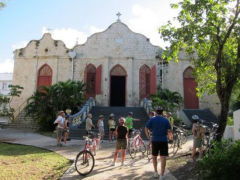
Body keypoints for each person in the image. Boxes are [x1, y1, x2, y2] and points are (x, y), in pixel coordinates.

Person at [145, 108, 173, 179]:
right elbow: (169, 131)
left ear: (156, 112)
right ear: (162, 112)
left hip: (154, 140)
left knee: (154, 156)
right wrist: (170, 139)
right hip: (163, 140)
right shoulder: (166, 120)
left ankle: (155, 172)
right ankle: (162, 175)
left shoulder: (152, 119)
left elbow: (146, 128)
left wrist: (149, 137)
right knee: (163, 157)